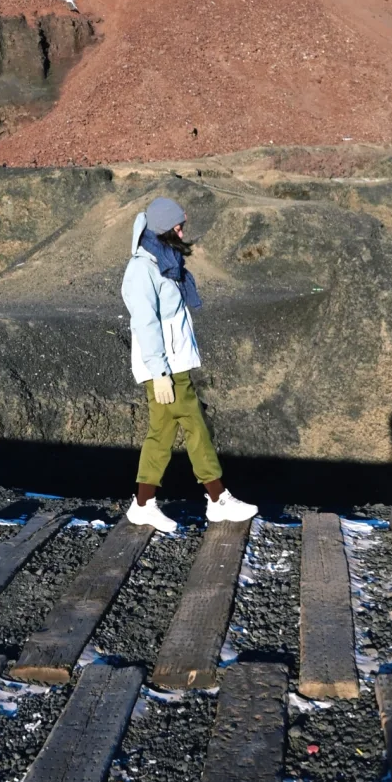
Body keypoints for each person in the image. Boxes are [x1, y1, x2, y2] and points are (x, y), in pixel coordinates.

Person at [121, 195, 258, 533]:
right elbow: (146, 324)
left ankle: (143, 504)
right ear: (164, 228)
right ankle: (218, 498)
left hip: (173, 363)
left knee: (162, 433)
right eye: (178, 226)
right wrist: (160, 373)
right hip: (165, 367)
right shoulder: (142, 269)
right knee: (195, 426)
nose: (182, 232)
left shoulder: (162, 259)